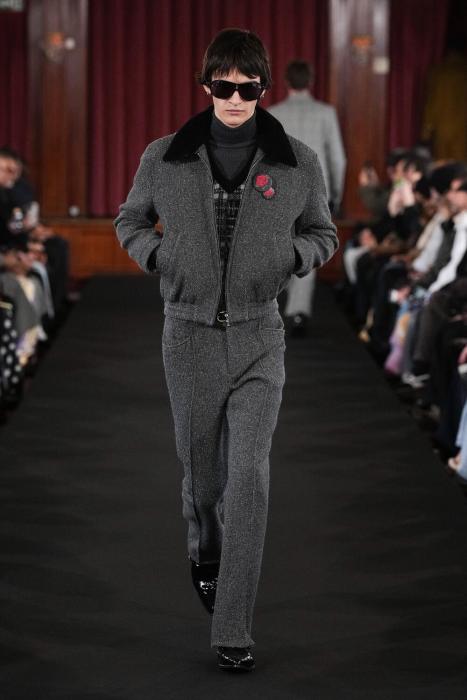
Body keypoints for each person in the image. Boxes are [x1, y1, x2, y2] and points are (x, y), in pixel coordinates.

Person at [114, 28, 338, 672]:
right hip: (187, 337)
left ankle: (233, 629)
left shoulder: (298, 161)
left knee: (249, 480)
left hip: (260, 336)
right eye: (224, 85)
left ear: (264, 89)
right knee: (205, 481)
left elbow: (323, 233)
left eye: (249, 87)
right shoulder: (164, 156)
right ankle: (205, 546)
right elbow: (130, 219)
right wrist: (160, 257)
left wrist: (290, 258)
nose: (236, 98)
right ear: (206, 85)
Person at [268, 60, 345, 335]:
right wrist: (336, 195)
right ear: (311, 81)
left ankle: (281, 306)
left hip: (280, 191)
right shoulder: (326, 113)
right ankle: (299, 312)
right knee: (307, 245)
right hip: (315, 190)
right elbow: (338, 159)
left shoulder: (273, 114)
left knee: (281, 246)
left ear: (285, 82)